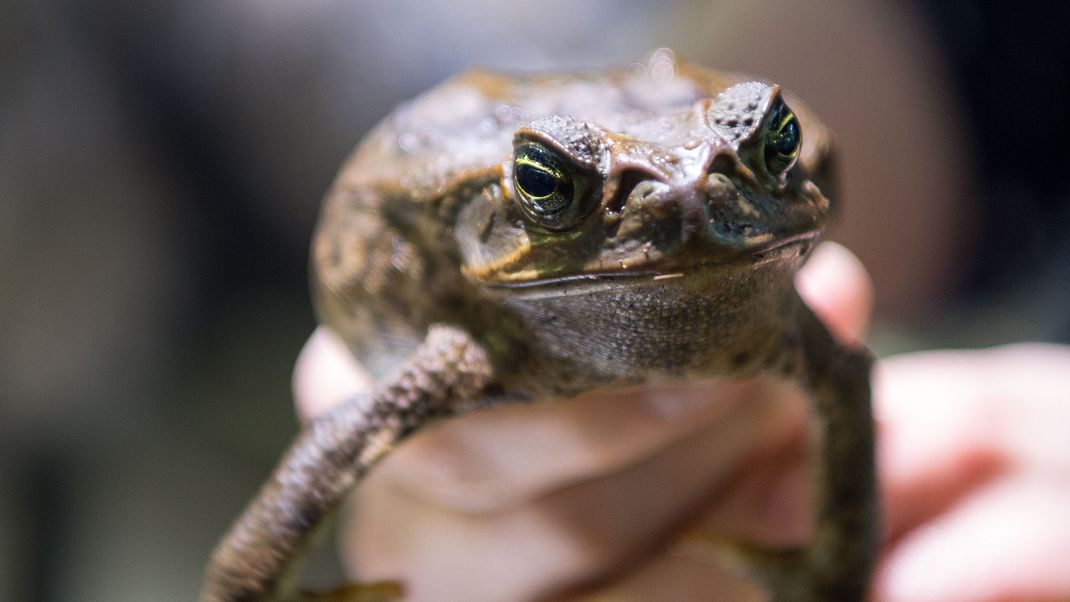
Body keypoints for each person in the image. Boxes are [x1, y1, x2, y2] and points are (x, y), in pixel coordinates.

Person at [293, 243, 1070, 601]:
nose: (680, 208)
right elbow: (337, 437)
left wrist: (834, 567)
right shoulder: (472, 340)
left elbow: (841, 376)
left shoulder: (776, 302)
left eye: (774, 148)